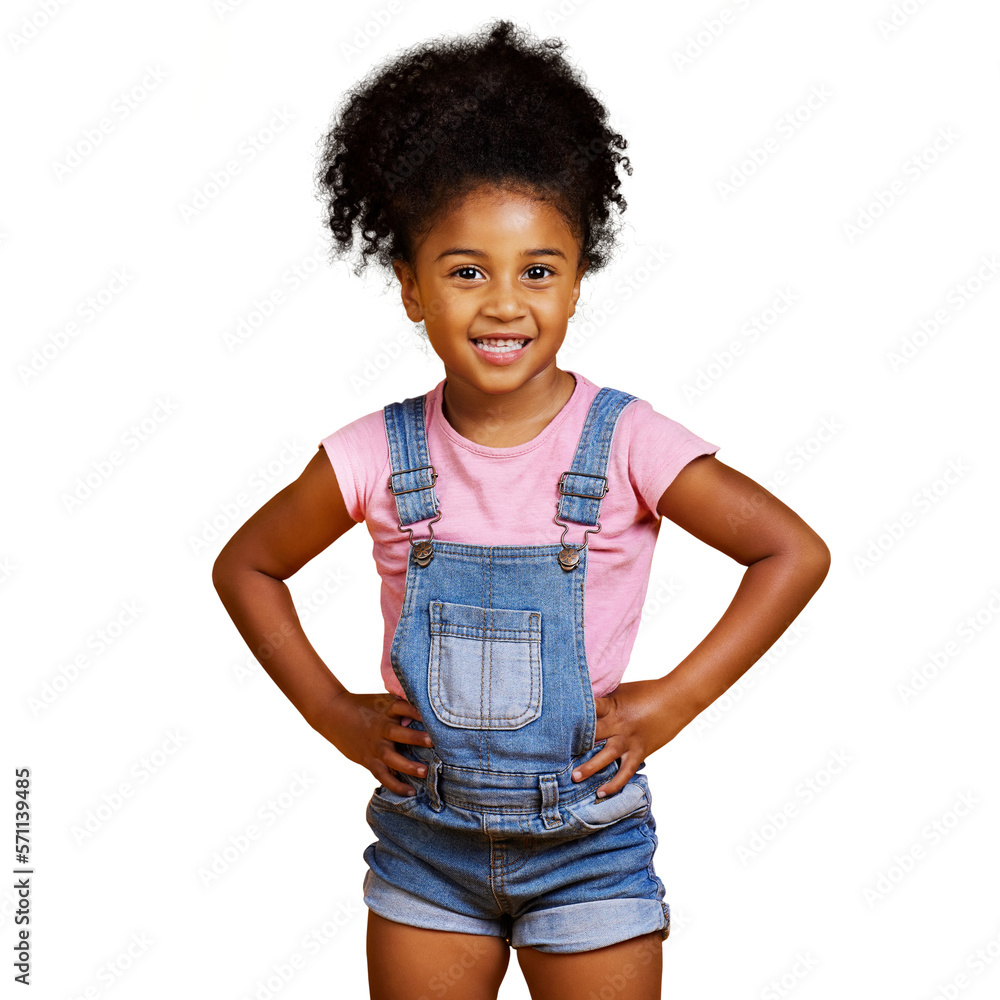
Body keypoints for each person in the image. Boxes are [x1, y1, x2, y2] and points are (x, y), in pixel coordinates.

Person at [212, 18, 830, 1000]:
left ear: (579, 275)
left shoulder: (625, 442)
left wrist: (675, 698)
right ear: (411, 286)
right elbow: (245, 565)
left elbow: (790, 550)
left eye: (537, 269)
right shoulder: (376, 452)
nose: (505, 302)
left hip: (588, 848)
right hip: (425, 851)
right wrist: (335, 715)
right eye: (466, 270)